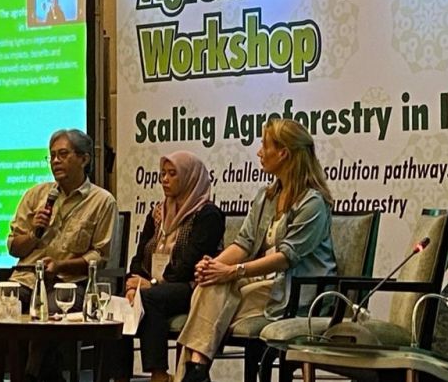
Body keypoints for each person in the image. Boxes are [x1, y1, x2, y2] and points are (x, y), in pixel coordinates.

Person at [174, 119, 337, 382]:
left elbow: (286, 258)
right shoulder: (266, 196)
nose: (259, 152)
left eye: (264, 146)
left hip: (296, 292)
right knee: (209, 286)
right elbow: (244, 243)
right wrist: (214, 266)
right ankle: (197, 369)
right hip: (265, 284)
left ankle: (193, 372)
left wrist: (232, 271)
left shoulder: (313, 203)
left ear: (283, 153)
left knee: (210, 302)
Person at [8, 128, 117, 381]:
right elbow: (13, 247)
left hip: (70, 284)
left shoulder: (102, 201)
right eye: (52, 155)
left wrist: (60, 266)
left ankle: (30, 377)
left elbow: (99, 257)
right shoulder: (36, 195)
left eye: (63, 154)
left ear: (84, 159)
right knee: (3, 308)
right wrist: (35, 232)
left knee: (48, 316)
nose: (55, 161)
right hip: (27, 279)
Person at [108, 151, 225, 382]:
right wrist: (132, 285)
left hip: (193, 287)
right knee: (119, 305)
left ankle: (159, 375)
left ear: (190, 178)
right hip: (155, 287)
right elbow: (139, 256)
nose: (164, 179)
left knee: (151, 298)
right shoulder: (158, 213)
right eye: (162, 174)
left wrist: (151, 284)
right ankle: (119, 377)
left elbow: (188, 265)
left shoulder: (208, 215)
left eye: (172, 174)